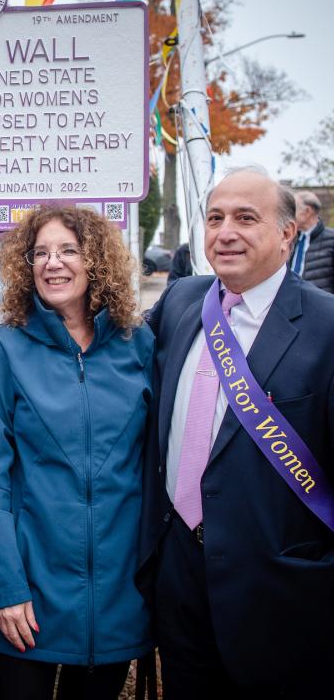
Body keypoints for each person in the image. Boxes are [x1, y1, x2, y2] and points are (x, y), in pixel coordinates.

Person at [140, 167, 334, 699]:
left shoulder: (326, 326)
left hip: (281, 591)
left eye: (246, 218)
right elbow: (111, 353)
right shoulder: (181, 300)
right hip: (178, 576)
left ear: (287, 233)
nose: (225, 232)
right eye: (215, 217)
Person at [0, 205, 154, 700]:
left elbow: (154, 466)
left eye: (68, 250)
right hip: (30, 593)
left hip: (118, 595)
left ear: (96, 260)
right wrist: (7, 588)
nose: (53, 263)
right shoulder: (4, 347)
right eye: (40, 253)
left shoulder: (138, 345)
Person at [289, 189, 334, 292]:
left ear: (307, 212)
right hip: (292, 302)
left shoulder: (331, 239)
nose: (289, 215)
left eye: (293, 210)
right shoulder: (290, 239)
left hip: (321, 305)